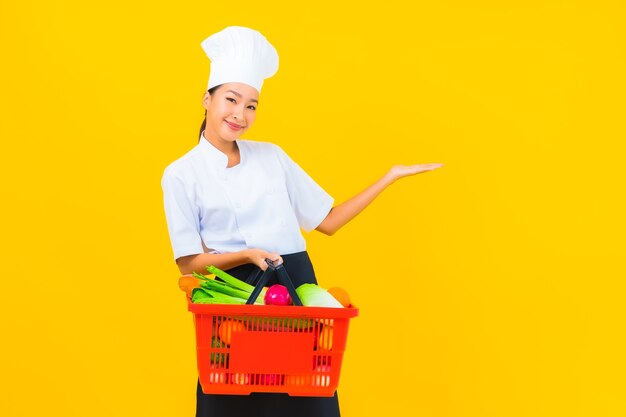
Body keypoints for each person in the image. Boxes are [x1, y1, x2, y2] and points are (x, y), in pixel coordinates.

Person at [162, 26, 443, 417]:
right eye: (231, 99)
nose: (240, 114)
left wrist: (388, 176)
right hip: (238, 295)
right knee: (232, 400)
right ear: (206, 99)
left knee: (309, 398)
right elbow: (188, 262)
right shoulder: (181, 174)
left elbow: (327, 221)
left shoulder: (272, 156)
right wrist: (246, 254)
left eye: (251, 105)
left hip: (295, 286)